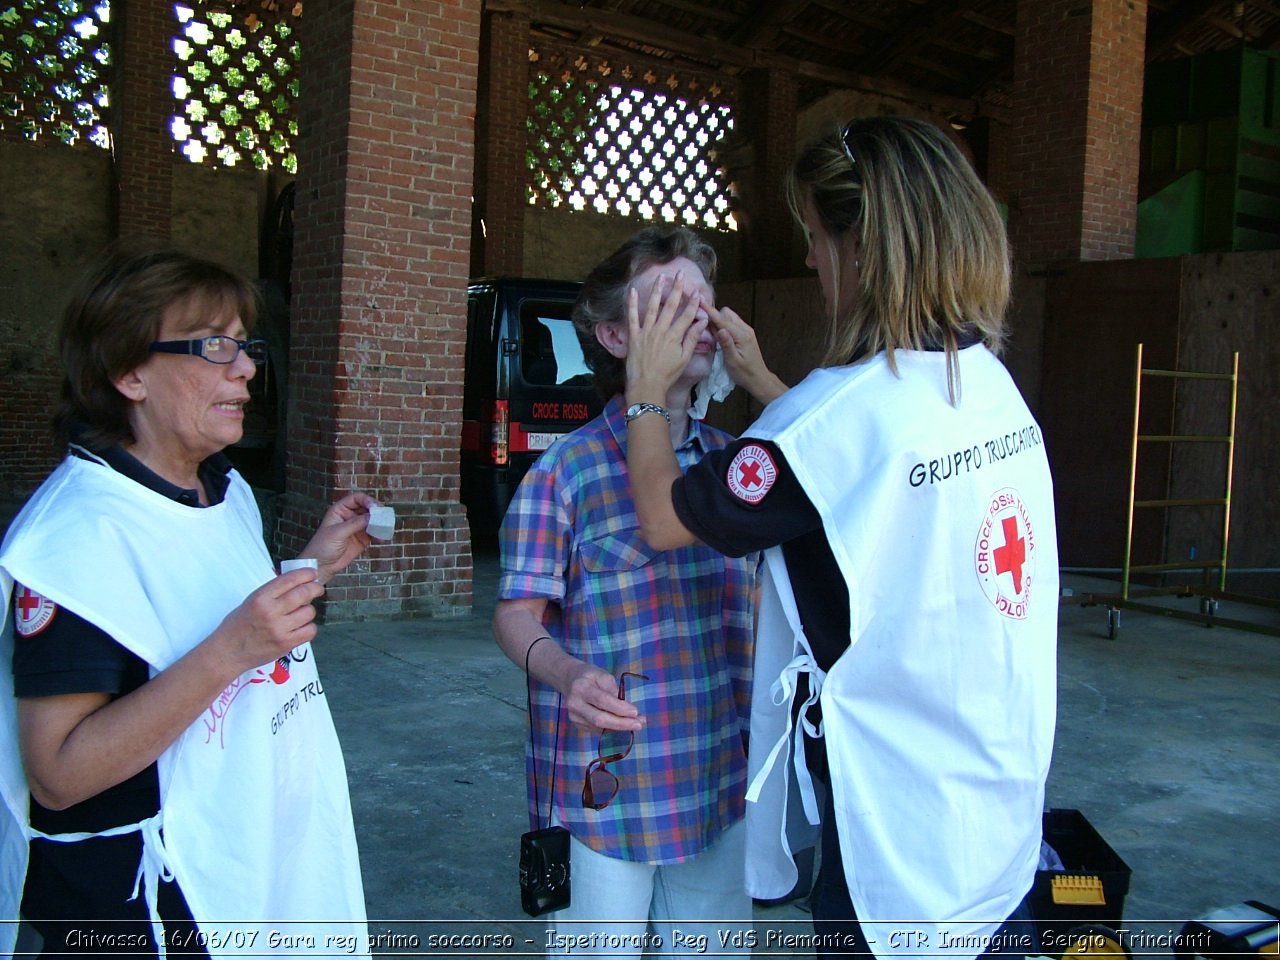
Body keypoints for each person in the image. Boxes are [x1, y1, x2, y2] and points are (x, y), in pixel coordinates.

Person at [623, 116, 1059, 958]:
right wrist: (766, 390)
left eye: (818, 238)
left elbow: (662, 512)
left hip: (898, 839)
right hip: (993, 810)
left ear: (870, 249)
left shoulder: (828, 419)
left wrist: (645, 390)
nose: (813, 259)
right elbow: (853, 474)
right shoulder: (987, 386)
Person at [0, 243, 383, 958]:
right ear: (128, 372)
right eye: (213, 346)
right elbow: (58, 776)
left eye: (244, 346)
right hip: (145, 904)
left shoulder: (222, 488)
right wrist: (234, 648)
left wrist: (313, 566)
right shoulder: (74, 540)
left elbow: (205, 611)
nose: (244, 369)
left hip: (256, 842)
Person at [492, 227, 756, 957]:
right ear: (614, 336)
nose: (697, 320)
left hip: (719, 780)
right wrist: (566, 671)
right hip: (601, 794)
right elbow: (517, 614)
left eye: (704, 302)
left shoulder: (737, 467)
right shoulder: (565, 474)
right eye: (670, 303)